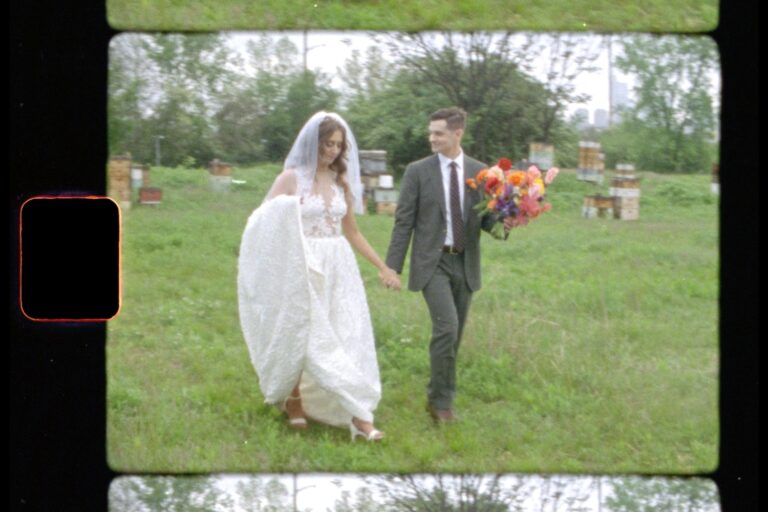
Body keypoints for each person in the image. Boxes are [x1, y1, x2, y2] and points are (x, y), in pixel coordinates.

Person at [237, 111, 401, 442]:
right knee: (301, 332)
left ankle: (358, 415)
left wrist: (382, 267)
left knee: (345, 334)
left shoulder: (341, 182)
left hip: (339, 264)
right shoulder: (290, 179)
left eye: (338, 145)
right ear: (314, 142)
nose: (332, 151)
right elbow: (263, 225)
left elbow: (352, 232)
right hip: (302, 262)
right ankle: (294, 401)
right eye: (327, 143)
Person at [385, 107, 514, 423]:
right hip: (433, 263)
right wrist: (392, 267)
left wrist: (506, 220)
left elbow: (485, 218)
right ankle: (442, 405)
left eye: (438, 133)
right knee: (447, 327)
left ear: (458, 134)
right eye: (431, 132)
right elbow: (404, 222)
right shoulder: (418, 171)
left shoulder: (481, 173)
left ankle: (435, 394)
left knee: (453, 336)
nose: (432, 138)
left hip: (466, 264)